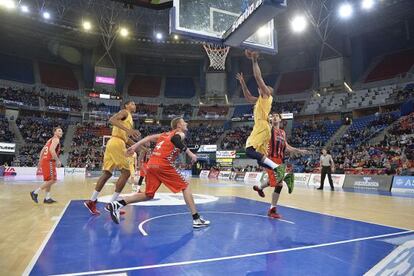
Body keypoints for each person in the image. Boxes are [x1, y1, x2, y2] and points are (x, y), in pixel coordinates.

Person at [107, 117, 210, 228]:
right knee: (185, 187)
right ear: (178, 126)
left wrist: (134, 146)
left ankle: (118, 203)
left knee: (148, 195)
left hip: (152, 165)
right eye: (184, 122)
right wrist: (191, 154)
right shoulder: (180, 133)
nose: (186, 123)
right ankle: (196, 219)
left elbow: (148, 137)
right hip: (163, 164)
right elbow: (175, 140)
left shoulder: (164, 135)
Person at [236, 50, 286, 186]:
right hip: (262, 128)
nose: (262, 88)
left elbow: (258, 78)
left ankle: (278, 168)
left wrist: (254, 60)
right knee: (260, 160)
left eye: (265, 88)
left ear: (268, 91)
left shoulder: (266, 96)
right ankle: (281, 174)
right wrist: (242, 83)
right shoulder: (259, 100)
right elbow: (247, 97)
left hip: (262, 126)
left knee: (248, 150)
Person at [84, 101, 140, 215]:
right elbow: (112, 120)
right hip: (117, 143)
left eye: (135, 104)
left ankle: (92, 201)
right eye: (132, 104)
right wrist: (128, 130)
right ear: (126, 105)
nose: (135, 105)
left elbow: (126, 139)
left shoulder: (129, 120)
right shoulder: (124, 112)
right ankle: (112, 205)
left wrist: (140, 146)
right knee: (126, 172)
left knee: (107, 173)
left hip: (113, 143)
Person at [253, 113, 309, 218]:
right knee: (279, 184)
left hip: (279, 160)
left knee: (274, 181)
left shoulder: (283, 133)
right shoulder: (269, 129)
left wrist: (299, 151)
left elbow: (287, 147)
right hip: (270, 159)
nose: (274, 117)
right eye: (272, 116)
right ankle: (272, 210)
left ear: (280, 119)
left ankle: (259, 187)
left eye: (276, 116)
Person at [30, 127, 63, 204]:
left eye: (62, 131)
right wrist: (57, 160)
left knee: (49, 180)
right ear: (55, 132)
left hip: (45, 160)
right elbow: (51, 150)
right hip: (49, 161)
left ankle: (47, 198)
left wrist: (40, 161)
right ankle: (35, 192)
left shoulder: (49, 140)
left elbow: (42, 150)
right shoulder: (56, 139)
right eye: (59, 131)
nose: (61, 132)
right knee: (53, 180)